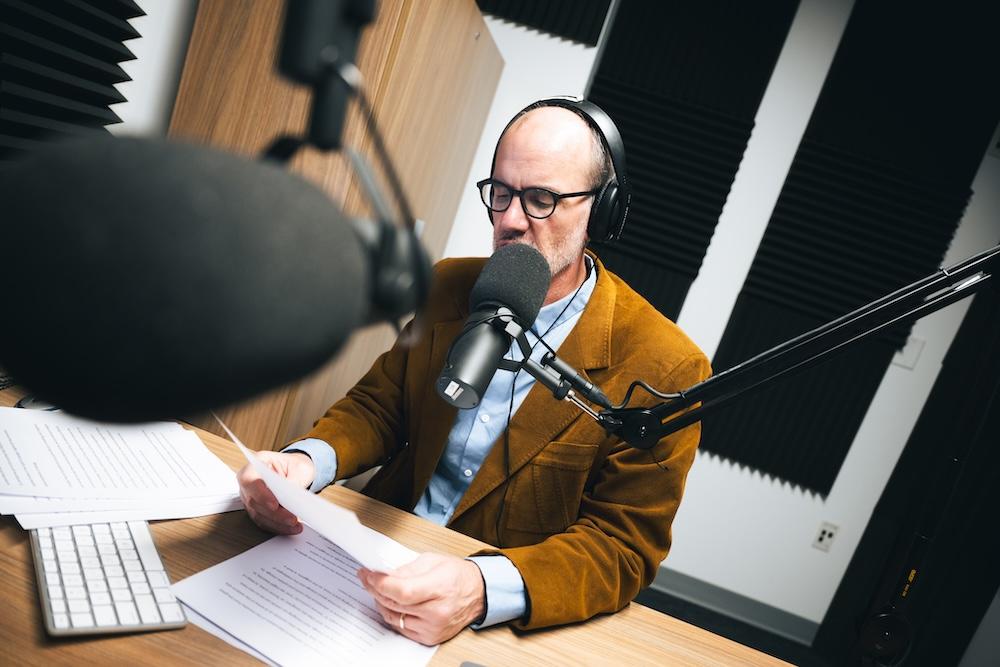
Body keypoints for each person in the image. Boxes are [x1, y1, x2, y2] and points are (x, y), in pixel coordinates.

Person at [236, 99, 711, 646]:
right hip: (372, 561)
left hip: (491, 620)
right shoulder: (449, 285)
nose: (510, 220)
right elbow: (380, 407)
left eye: (541, 199)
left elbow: (619, 547)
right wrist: (304, 464)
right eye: (501, 193)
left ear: (599, 212)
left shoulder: (665, 365)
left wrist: (481, 587)